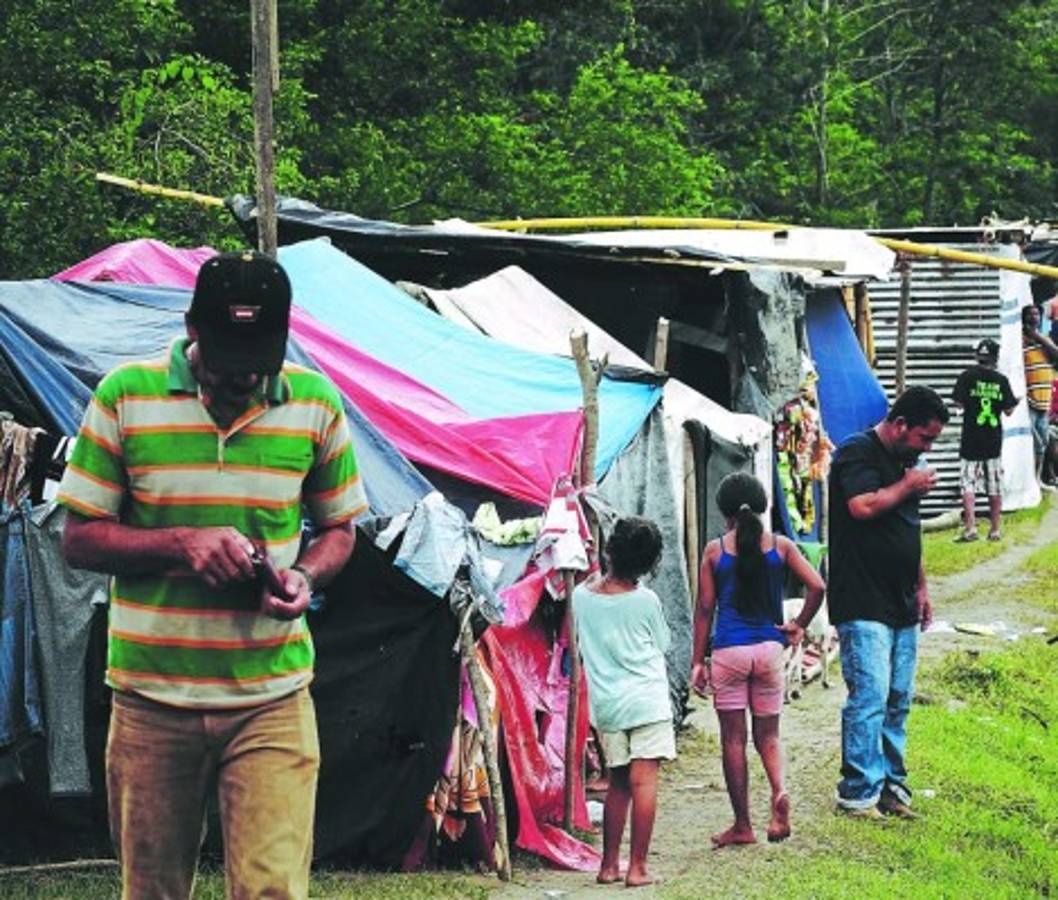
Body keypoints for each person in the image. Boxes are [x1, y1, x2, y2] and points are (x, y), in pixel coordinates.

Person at [58, 250, 368, 899]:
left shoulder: (314, 403)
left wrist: (306, 576)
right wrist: (182, 544)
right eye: (228, 361)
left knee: (271, 890)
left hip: (271, 700)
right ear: (192, 327)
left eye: (257, 362)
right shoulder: (125, 396)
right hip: (151, 702)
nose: (241, 380)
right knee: (154, 891)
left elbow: (340, 530)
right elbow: (79, 539)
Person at [828, 385, 948, 820]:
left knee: (899, 696)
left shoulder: (905, 464)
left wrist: (922, 588)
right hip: (861, 598)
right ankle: (857, 792)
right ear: (900, 425)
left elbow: (907, 532)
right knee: (871, 694)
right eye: (924, 437)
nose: (927, 448)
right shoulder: (856, 453)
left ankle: (891, 787)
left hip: (901, 599)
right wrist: (907, 484)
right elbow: (861, 506)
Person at [690, 472, 825, 847]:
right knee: (769, 734)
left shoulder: (715, 550)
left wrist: (697, 661)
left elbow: (704, 609)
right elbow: (817, 585)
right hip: (769, 650)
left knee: (733, 739)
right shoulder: (781, 546)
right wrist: (798, 624)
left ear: (724, 512)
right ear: (764, 506)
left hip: (729, 651)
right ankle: (779, 791)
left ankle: (742, 825)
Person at [572, 516, 673, 888]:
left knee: (618, 783)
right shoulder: (646, 600)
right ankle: (638, 868)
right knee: (644, 783)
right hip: (646, 702)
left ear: (609, 550)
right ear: (648, 563)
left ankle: (608, 865)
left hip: (608, 706)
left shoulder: (582, 596)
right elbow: (663, 644)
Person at [951, 338, 1018, 542]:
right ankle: (995, 530)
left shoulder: (966, 376)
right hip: (993, 441)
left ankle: (971, 529)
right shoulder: (1001, 380)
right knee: (994, 485)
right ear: (996, 358)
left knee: (968, 484)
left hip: (970, 439)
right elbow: (1008, 411)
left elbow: (958, 403)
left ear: (978, 356)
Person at [1021, 304, 1058, 488]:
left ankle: (1037, 480)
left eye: (1036, 313)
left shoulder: (1044, 341)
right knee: (1033, 443)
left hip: (1045, 401)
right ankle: (1032, 481)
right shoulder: (1021, 341)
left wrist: (1036, 336)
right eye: (1030, 314)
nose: (1034, 317)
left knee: (1042, 444)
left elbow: (1056, 354)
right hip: (1030, 400)